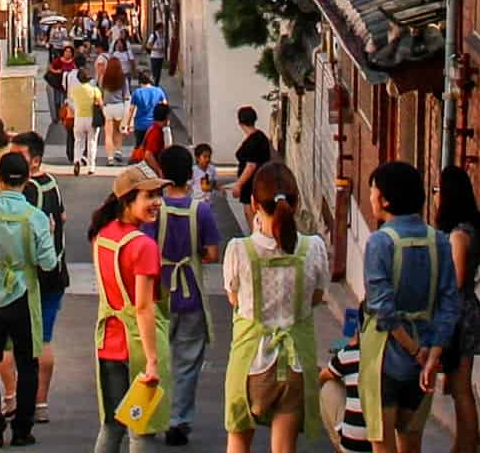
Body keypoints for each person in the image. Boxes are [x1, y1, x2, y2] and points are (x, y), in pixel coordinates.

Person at [223, 162, 328, 453]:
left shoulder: (238, 250)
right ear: (296, 204)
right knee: (284, 447)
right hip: (295, 362)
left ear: (254, 203)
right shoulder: (314, 248)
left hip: (250, 361)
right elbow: (317, 298)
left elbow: (234, 300)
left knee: (238, 441)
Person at [359, 160, 461, 453]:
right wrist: (432, 354)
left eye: (374, 191)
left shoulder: (380, 242)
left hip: (385, 355)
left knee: (382, 443)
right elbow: (449, 302)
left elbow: (382, 308)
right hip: (426, 350)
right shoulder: (439, 240)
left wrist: (415, 351)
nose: (371, 197)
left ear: (386, 199)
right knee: (412, 442)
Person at [0, 152, 58, 448]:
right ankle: (22, 430)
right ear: (27, 180)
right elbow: (47, 264)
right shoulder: (36, 217)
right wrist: (50, 235)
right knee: (27, 363)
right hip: (24, 296)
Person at [89, 165, 173, 452]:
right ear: (128, 200)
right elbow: (143, 307)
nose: (157, 202)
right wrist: (152, 359)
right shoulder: (143, 246)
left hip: (107, 342)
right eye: (149, 195)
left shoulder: (101, 235)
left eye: (158, 194)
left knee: (112, 427)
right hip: (136, 346)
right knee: (141, 431)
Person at [148, 145, 221, 446]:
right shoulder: (200, 210)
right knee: (187, 361)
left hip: (158, 293)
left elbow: (144, 250)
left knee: (158, 358)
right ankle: (179, 420)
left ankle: (155, 414)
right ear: (190, 173)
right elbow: (213, 253)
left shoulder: (155, 210)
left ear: (162, 174)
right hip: (190, 291)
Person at [433, 166, 480, 453]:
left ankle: (466, 445)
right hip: (468, 309)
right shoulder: (473, 231)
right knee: (460, 386)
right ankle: (464, 443)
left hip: (459, 316)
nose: (434, 197)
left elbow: (454, 280)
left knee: (460, 388)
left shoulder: (458, 235)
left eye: (437, 191)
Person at [13, 132, 69, 425]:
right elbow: (62, 218)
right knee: (45, 337)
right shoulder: (52, 183)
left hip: (34, 276)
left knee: (20, 342)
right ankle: (41, 403)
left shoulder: (29, 190)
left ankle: (14, 400)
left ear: (34, 160)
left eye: (19, 155)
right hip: (57, 273)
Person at [319, 330, 372, 453]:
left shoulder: (349, 353)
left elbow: (322, 377)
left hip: (353, 444)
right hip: (391, 442)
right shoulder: (398, 355)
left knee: (328, 386)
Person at [233, 107, 273, 202]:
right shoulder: (260, 136)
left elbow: (251, 165)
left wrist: (239, 184)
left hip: (251, 183)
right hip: (261, 180)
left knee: (250, 212)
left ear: (240, 122)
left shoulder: (252, 141)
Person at [101, 53, 132, 166]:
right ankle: (118, 151)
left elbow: (101, 92)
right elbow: (127, 95)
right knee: (118, 131)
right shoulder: (123, 79)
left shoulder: (104, 78)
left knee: (108, 134)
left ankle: (110, 158)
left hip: (108, 107)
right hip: (119, 106)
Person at [71, 67, 104, 174]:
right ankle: (91, 167)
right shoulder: (94, 90)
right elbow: (100, 104)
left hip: (79, 118)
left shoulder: (75, 90)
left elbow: (72, 101)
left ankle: (77, 159)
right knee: (92, 142)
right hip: (91, 119)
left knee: (78, 141)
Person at [129, 73, 167, 153]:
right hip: (155, 124)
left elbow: (131, 110)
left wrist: (128, 124)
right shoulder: (159, 90)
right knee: (155, 146)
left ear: (140, 81)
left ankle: (137, 160)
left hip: (140, 124)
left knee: (139, 145)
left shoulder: (137, 92)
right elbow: (165, 106)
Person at [133, 103, 173, 175]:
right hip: (150, 170)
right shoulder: (156, 132)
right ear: (166, 117)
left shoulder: (155, 128)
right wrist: (159, 170)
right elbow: (148, 154)